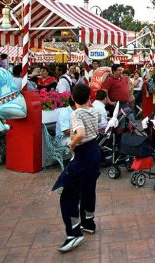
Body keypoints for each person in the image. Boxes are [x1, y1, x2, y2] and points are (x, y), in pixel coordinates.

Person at [53, 84, 101, 253]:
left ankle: (74, 233)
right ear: (89, 97)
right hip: (94, 151)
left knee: (68, 195)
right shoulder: (93, 111)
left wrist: (71, 145)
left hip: (83, 154)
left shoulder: (76, 113)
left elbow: (79, 133)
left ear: (72, 98)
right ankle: (88, 222)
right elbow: (99, 124)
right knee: (88, 189)